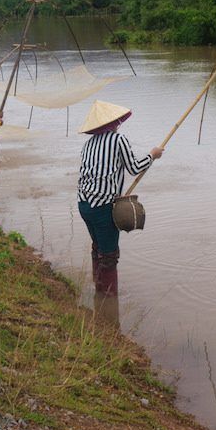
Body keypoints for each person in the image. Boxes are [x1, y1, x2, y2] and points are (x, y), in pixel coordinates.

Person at [76, 100, 163, 297]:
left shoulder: (88, 145)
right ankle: (108, 301)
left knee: (98, 247)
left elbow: (93, 174)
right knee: (109, 256)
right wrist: (152, 155)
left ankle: (98, 289)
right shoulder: (118, 140)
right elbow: (134, 167)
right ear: (115, 123)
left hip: (84, 205)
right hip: (101, 208)